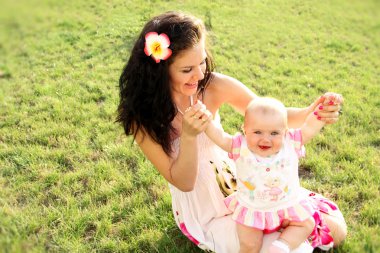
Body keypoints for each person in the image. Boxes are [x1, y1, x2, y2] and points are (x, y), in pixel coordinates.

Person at [116, 11, 347, 253]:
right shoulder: (142, 119)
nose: (199, 74)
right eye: (187, 70)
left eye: (202, 62)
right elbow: (183, 182)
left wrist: (313, 112)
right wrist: (189, 136)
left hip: (246, 185)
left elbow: (268, 116)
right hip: (207, 209)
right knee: (292, 249)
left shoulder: (212, 86)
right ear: (159, 69)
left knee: (334, 227)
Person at [203, 96, 342, 253]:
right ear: (245, 129)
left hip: (287, 206)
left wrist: (324, 108)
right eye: (257, 132)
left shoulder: (291, 143)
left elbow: (310, 127)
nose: (266, 139)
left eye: (274, 133)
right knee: (249, 245)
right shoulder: (239, 146)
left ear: (285, 132)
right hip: (252, 210)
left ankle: (282, 246)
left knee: (307, 223)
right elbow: (220, 137)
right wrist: (206, 122)